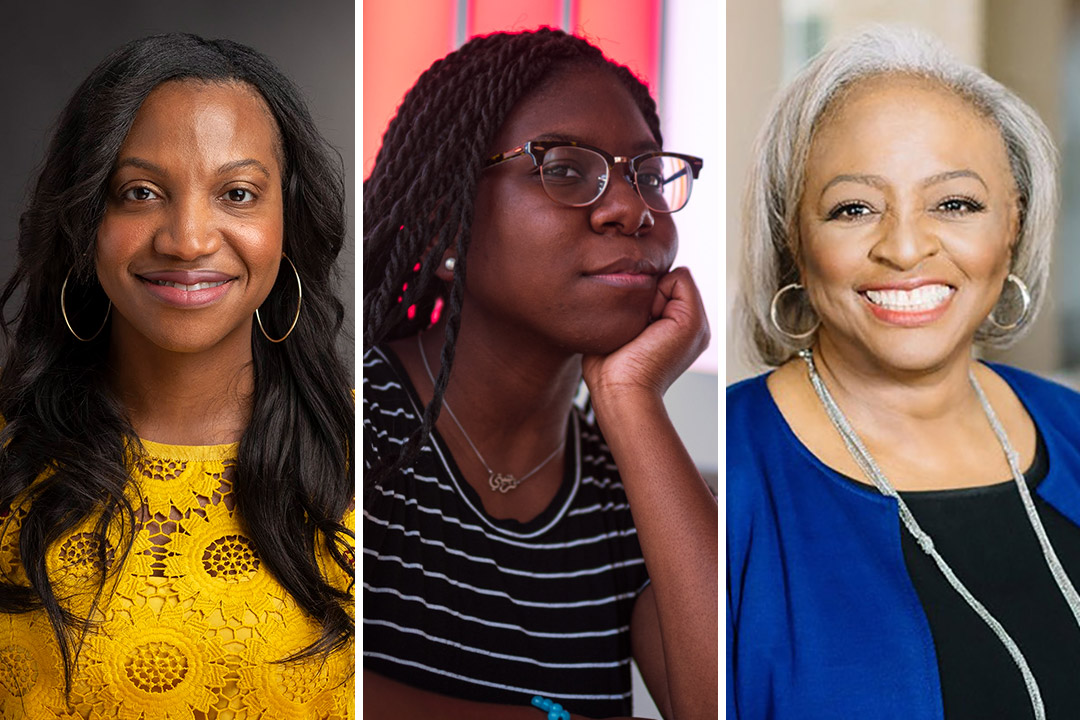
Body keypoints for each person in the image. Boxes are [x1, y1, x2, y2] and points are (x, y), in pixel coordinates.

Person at [363, 28, 717, 720]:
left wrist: (633, 401)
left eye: (646, 173)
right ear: (446, 229)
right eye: (564, 169)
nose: (632, 208)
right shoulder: (344, 421)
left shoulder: (625, 487)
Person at [727, 25, 1080, 720]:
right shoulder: (736, 474)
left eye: (955, 203)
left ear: (1013, 222)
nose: (907, 247)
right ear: (795, 239)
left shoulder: (1071, 426)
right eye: (853, 208)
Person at [0, 34, 354, 718]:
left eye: (238, 193)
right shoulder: (9, 459)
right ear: (85, 220)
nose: (187, 238)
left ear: (289, 221)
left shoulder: (376, 460)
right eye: (139, 192)